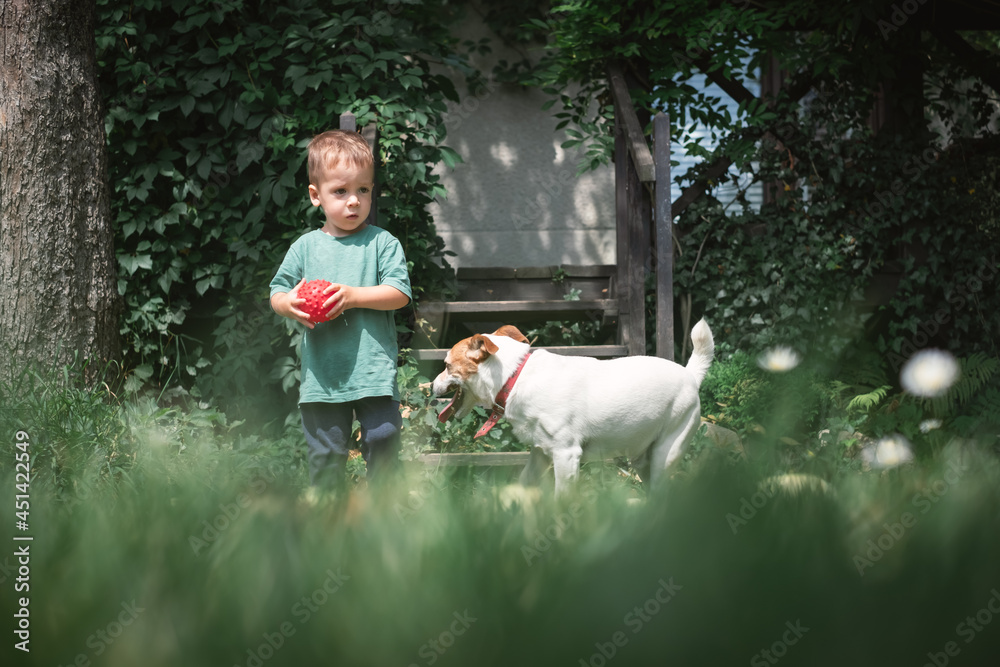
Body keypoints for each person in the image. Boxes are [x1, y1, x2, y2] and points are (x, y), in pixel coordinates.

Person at [270, 130, 411, 492]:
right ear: (316, 196)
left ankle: (381, 517)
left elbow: (398, 294)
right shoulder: (305, 247)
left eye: (363, 190)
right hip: (323, 378)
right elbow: (277, 291)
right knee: (326, 456)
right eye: (341, 191)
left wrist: (351, 296)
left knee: (383, 438)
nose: (354, 201)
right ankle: (328, 526)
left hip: (372, 372)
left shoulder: (382, 243)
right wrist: (290, 304)